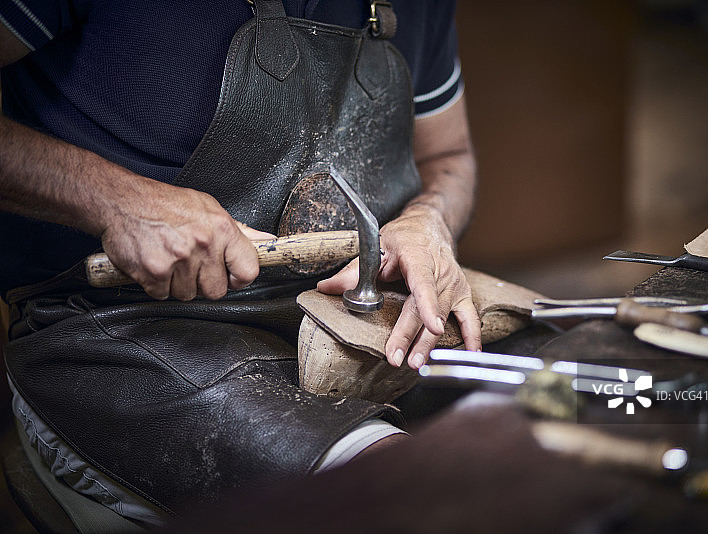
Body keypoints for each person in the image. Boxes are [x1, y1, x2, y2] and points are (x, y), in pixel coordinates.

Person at [0, 0, 481, 527]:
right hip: (126, 333)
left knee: (559, 412)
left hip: (362, 320)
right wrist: (118, 201)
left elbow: (448, 157)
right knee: (411, 498)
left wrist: (429, 219)